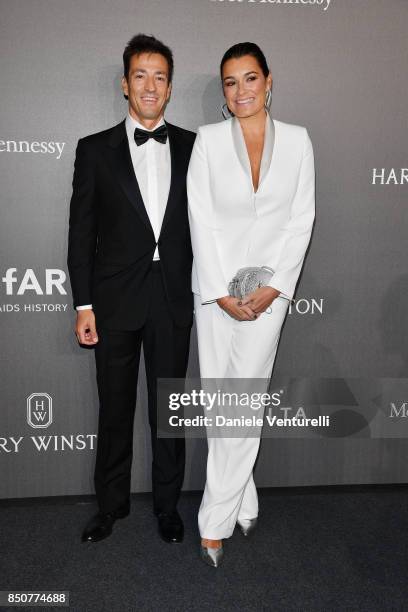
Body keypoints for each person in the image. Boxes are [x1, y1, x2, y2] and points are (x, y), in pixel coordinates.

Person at [187, 42, 315, 566]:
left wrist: (275, 286)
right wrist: (220, 290)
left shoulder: (300, 141)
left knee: (243, 400)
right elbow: (201, 217)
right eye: (230, 82)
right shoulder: (209, 140)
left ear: (268, 82)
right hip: (215, 294)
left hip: (270, 294)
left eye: (250, 79)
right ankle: (244, 498)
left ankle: (212, 519)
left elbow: (300, 219)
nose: (241, 91)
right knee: (223, 400)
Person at [67, 34, 195, 544]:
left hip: (172, 299)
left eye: (160, 76)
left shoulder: (194, 146)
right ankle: (110, 506)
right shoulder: (94, 149)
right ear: (125, 84)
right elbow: (81, 233)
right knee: (114, 408)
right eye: (140, 75)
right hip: (114, 301)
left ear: (169, 88)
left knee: (169, 411)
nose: (150, 85)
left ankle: (168, 506)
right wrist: (83, 304)